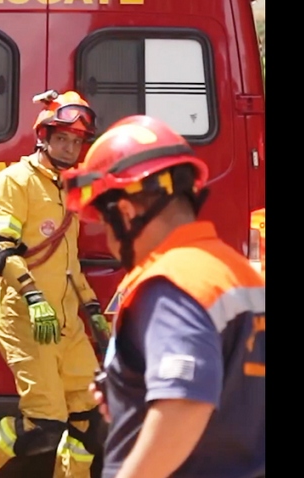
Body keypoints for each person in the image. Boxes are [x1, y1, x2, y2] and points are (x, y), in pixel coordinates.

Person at [60, 115, 266, 478]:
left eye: (105, 225)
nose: (108, 242)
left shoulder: (170, 284)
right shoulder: (238, 275)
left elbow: (184, 403)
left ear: (124, 213)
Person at [0, 91, 111, 478]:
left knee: (92, 420)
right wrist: (33, 296)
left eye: (76, 141)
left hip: (66, 323)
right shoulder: (14, 181)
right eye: (62, 138)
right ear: (43, 136)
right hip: (25, 317)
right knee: (43, 428)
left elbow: (69, 265)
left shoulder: (67, 189)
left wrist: (93, 310)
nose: (69, 147)